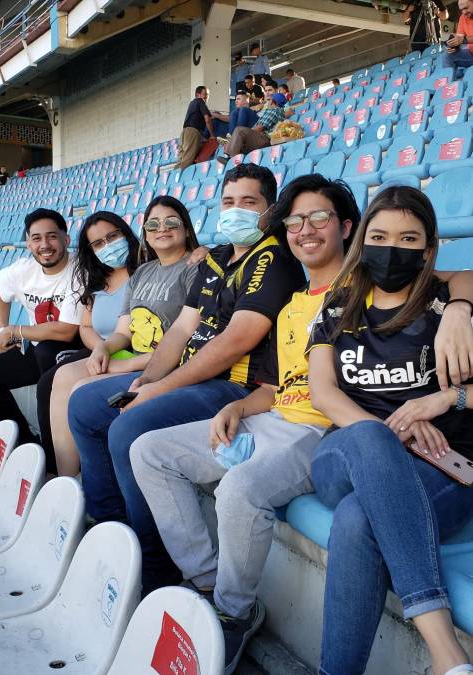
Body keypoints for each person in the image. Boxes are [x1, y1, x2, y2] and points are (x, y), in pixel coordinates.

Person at [131, 175, 362, 675]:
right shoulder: (294, 305)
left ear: (345, 226)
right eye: (295, 221)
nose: (305, 229)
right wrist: (236, 409)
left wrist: (459, 304)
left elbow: (452, 281)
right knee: (149, 451)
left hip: (325, 432)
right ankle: (209, 583)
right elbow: (278, 386)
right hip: (277, 417)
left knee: (238, 490)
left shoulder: (368, 287)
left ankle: (234, 614)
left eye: (319, 217)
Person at [67, 163, 306, 595]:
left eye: (249, 203)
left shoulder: (275, 260)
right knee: (85, 405)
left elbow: (237, 340)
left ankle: (155, 565)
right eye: (229, 201)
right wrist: (146, 382)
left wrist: (159, 389)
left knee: (128, 428)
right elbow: (180, 330)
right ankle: (112, 526)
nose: (236, 210)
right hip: (190, 377)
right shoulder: (215, 258)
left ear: (269, 211)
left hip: (236, 386)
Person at [307, 186, 473, 675]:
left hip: (444, 468)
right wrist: (390, 431)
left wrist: (445, 397)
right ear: (360, 240)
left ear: (427, 249)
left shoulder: (451, 305)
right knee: (371, 441)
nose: (391, 248)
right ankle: (448, 655)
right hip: (347, 453)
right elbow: (324, 394)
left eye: (407, 238)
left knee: (360, 520)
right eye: (378, 235)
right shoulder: (339, 307)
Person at [47, 198, 200, 476]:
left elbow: (187, 337)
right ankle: (66, 479)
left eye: (171, 222)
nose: (161, 229)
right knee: (60, 377)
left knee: (81, 391)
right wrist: (104, 348)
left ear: (186, 228)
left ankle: (99, 493)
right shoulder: (143, 272)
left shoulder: (196, 266)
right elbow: (123, 332)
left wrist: (131, 364)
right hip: (133, 355)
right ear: (145, 232)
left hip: (161, 362)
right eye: (153, 224)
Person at [33, 210, 141, 474]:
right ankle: (64, 476)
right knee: (51, 380)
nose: (108, 246)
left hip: (132, 352)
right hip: (102, 350)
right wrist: (99, 349)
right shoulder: (96, 281)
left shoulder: (146, 269)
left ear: (125, 233)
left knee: (74, 386)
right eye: (99, 243)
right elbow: (86, 326)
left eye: (113, 236)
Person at [0, 208, 83, 450]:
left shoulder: (79, 269)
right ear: (28, 244)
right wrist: (1, 330)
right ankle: (25, 441)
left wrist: (14, 331)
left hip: (76, 350)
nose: (45, 245)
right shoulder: (22, 270)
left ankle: (53, 454)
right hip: (40, 347)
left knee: (47, 354)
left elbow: (66, 332)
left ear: (66, 239)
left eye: (52, 236)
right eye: (36, 238)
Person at [223, 93, 286, 157]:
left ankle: (230, 158)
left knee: (239, 130)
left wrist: (245, 133)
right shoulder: (277, 111)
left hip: (265, 140)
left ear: (272, 102)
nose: (268, 102)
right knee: (238, 132)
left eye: (269, 100)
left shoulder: (275, 111)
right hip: (261, 138)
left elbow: (260, 128)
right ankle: (230, 152)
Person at [177, 86, 216, 170]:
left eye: (208, 95)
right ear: (198, 94)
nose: (206, 97)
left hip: (184, 132)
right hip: (192, 132)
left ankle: (174, 179)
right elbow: (207, 119)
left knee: (180, 161)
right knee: (187, 160)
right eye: (205, 94)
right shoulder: (200, 101)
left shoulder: (192, 103)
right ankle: (182, 180)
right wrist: (212, 135)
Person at [442, 0, 473, 69]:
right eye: (461, 10)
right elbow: (459, 37)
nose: (463, 12)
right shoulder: (463, 17)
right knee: (447, 56)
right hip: (471, 54)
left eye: (466, 8)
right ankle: (451, 78)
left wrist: (462, 40)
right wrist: (453, 45)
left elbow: (462, 39)